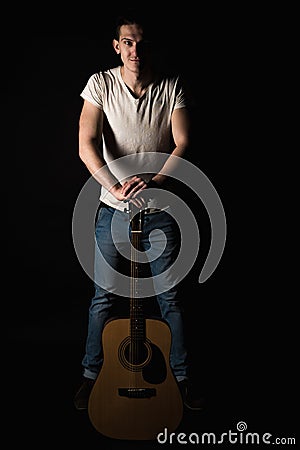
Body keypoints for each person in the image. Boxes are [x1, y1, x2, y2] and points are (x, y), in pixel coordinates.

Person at [73, 10, 202, 412]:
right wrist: (113, 187)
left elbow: (182, 141)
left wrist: (156, 182)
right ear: (117, 45)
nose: (134, 50)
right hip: (112, 209)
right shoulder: (100, 84)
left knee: (171, 298)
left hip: (163, 209)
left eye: (141, 43)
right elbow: (86, 142)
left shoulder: (171, 85)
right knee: (102, 298)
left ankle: (181, 381)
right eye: (127, 42)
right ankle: (90, 377)